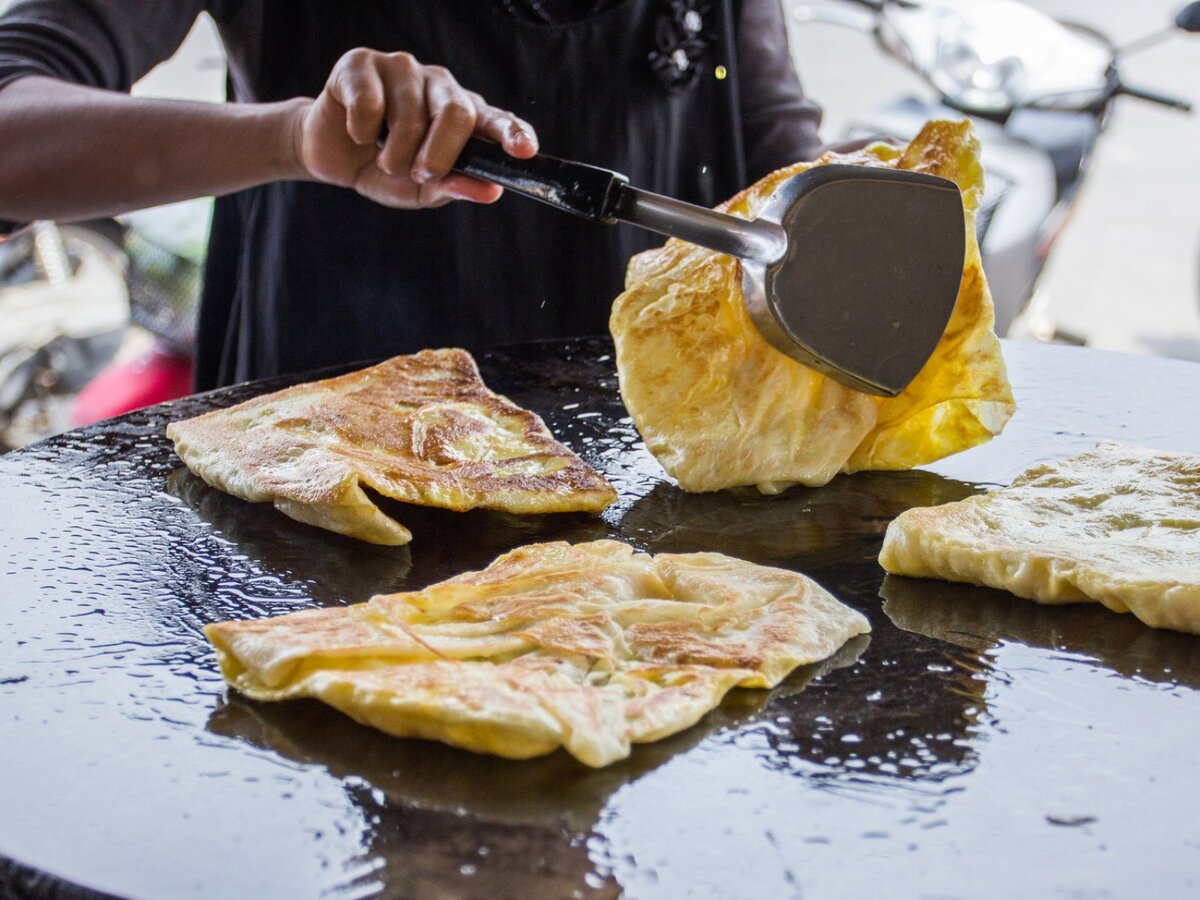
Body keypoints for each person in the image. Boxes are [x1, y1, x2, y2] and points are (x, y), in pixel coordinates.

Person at [0, 1, 827, 390]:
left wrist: (867, 201)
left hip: (652, 493)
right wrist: (291, 138)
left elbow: (781, 163)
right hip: (327, 497)